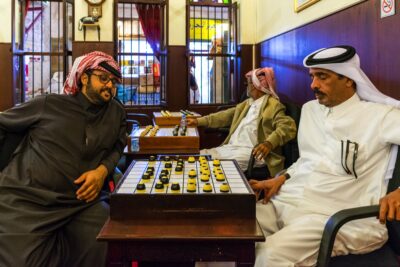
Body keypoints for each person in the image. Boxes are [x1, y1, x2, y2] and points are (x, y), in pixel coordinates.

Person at [250, 45, 400, 266]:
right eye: (312, 77)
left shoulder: (379, 117)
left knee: (269, 256)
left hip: (334, 216)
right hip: (287, 200)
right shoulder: (311, 110)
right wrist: (281, 178)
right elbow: (309, 159)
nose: (313, 85)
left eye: (322, 77)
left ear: (348, 79)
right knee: (225, 234)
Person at [0, 51, 127, 266]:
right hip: (28, 200)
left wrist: (102, 171)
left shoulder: (116, 112)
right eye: (103, 78)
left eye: (113, 82)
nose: (109, 86)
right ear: (84, 78)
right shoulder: (48, 104)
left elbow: (118, 145)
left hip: (81, 202)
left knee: (105, 238)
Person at [187, 67, 296, 175]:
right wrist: (198, 121)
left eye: (247, 84)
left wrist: (269, 143)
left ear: (255, 85)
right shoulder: (247, 103)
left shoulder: (273, 105)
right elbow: (224, 116)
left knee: (208, 166)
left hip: (253, 153)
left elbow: (287, 126)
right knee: (194, 158)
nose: (246, 87)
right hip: (232, 148)